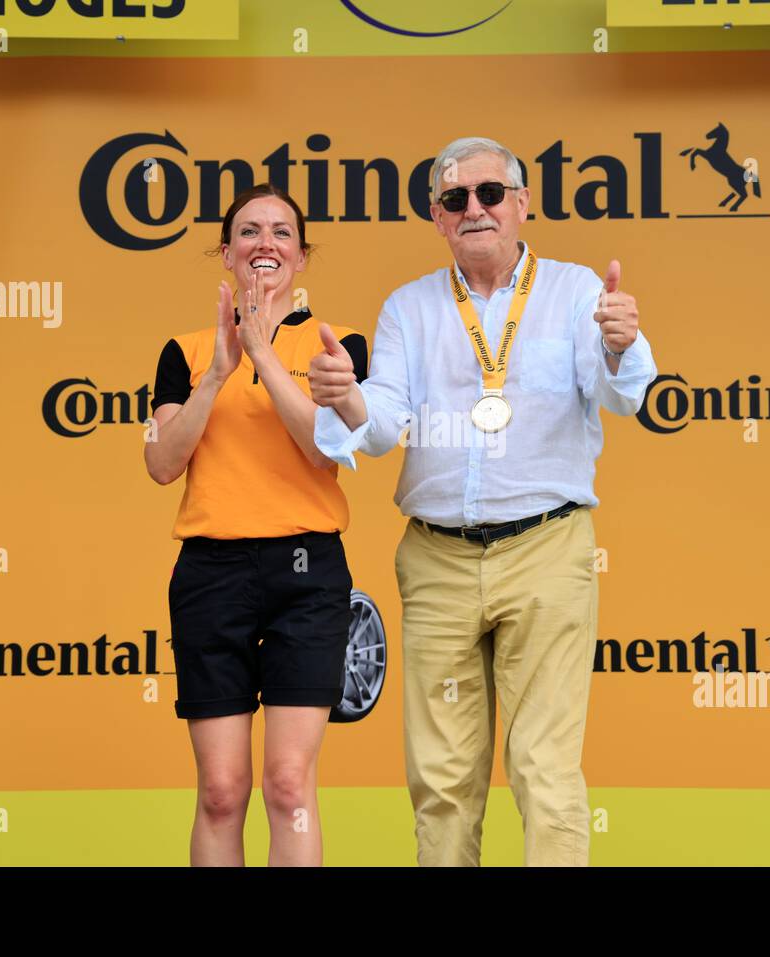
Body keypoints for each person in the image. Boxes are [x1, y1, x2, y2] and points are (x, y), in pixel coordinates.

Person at [309, 136, 657, 866]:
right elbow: (381, 426)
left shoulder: (573, 290)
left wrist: (623, 345)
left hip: (546, 549)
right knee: (441, 782)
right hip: (437, 560)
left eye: (490, 193)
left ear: (523, 205)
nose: (474, 208)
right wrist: (345, 399)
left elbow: (618, 391)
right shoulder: (409, 307)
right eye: (454, 198)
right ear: (437, 218)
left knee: (544, 770)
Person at [145, 183, 368, 867]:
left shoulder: (339, 343)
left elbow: (325, 449)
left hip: (308, 573)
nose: (264, 243)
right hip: (212, 574)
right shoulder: (183, 351)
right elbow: (161, 463)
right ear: (226, 252)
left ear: (301, 256)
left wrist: (263, 352)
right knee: (219, 789)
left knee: (289, 782)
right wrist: (218, 372)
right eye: (248, 231)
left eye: (280, 232)